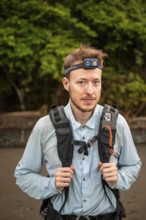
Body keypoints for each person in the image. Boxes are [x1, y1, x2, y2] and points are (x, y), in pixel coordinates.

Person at [14, 45, 141, 220]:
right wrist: (52, 184)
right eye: (81, 82)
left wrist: (118, 177)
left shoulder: (117, 123)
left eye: (96, 82)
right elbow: (23, 175)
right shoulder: (45, 126)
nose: (90, 90)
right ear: (66, 84)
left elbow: (133, 165)